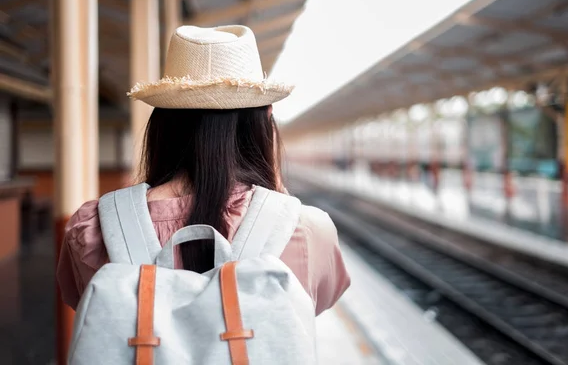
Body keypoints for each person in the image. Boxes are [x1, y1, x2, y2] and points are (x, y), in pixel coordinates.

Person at [56, 25, 350, 317]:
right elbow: (314, 306)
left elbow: (82, 303)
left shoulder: (93, 228)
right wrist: (277, 197)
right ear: (266, 121)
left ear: (161, 125)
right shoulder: (306, 230)